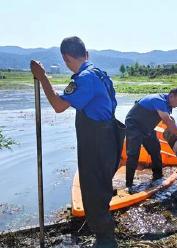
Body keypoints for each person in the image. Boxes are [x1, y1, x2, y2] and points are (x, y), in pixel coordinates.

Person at [31, 36, 119, 247]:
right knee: (101, 190)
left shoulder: (85, 78)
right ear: (86, 54)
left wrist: (42, 77)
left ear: (66, 58)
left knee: (93, 193)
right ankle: (105, 236)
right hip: (109, 141)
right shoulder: (100, 74)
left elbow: (59, 106)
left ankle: (106, 241)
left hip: (96, 146)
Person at [125, 87, 177, 194]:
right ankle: (129, 185)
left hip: (147, 128)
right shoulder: (158, 100)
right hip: (134, 126)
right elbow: (167, 121)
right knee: (133, 154)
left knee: (156, 150)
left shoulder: (167, 104)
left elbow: (170, 120)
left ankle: (158, 177)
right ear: (172, 96)